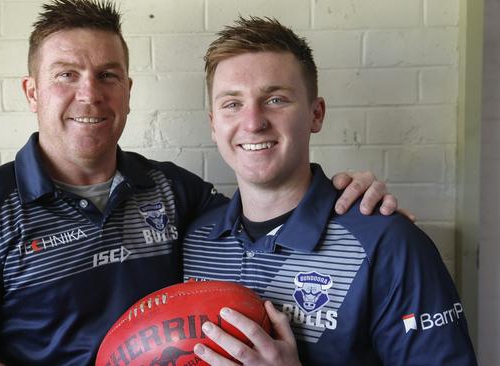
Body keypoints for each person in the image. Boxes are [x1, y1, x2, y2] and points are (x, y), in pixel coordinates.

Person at [0, 1, 398, 365]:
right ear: (32, 92)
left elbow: (265, 214)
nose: (89, 94)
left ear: (129, 91)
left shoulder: (172, 190)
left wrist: (349, 201)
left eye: (108, 75)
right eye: (66, 74)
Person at [183, 16, 477, 365]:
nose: (253, 122)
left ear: (316, 114)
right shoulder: (196, 241)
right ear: (214, 125)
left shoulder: (388, 243)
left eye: (275, 99)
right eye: (232, 104)